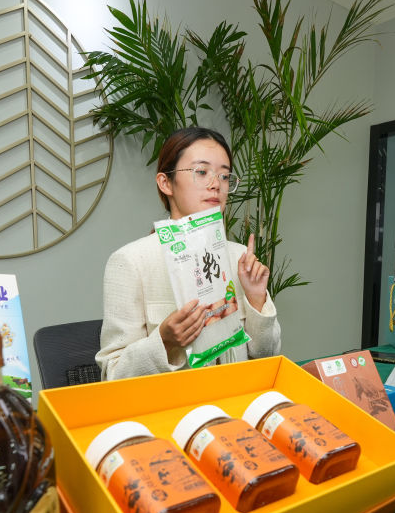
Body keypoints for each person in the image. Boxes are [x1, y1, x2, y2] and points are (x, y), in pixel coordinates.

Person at [96, 127, 281, 380]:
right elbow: (113, 375)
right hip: (175, 405)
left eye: (224, 176)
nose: (216, 185)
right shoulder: (131, 262)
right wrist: (165, 342)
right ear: (166, 183)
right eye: (201, 172)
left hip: (238, 400)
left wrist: (256, 299)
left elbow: (268, 358)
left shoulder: (240, 258)